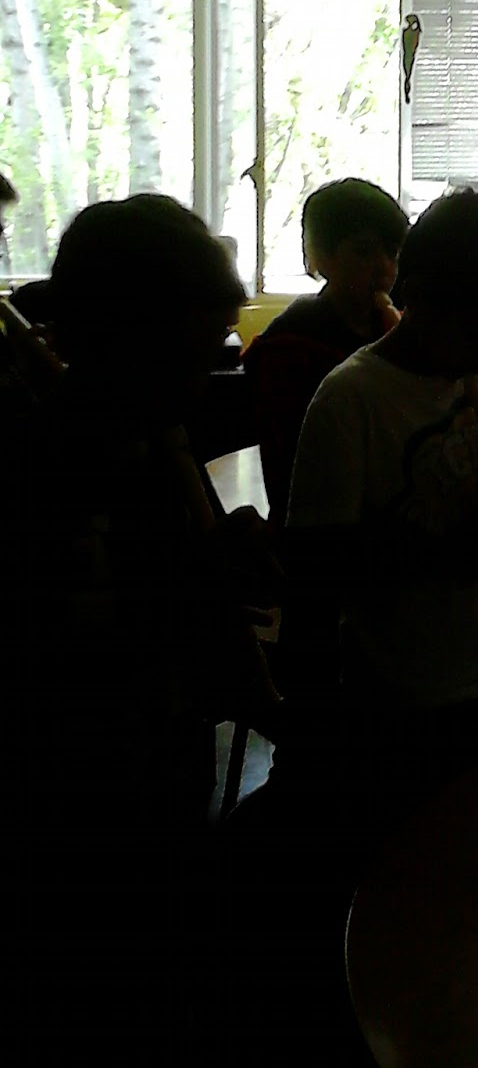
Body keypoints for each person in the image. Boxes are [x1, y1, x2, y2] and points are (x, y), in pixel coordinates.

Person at [4, 194, 280, 1061]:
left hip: (163, 764)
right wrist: (193, 588)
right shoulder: (48, 460)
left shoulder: (148, 433)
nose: (204, 375)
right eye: (193, 352)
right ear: (130, 341)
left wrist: (214, 562)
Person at [281, 187, 478, 813]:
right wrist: (457, 534)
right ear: (420, 298)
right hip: (400, 691)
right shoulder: (350, 399)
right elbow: (318, 569)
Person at [243, 177, 408, 522]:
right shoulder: (288, 348)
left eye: (392, 253)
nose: (384, 268)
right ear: (320, 257)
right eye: (364, 252)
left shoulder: (395, 330)